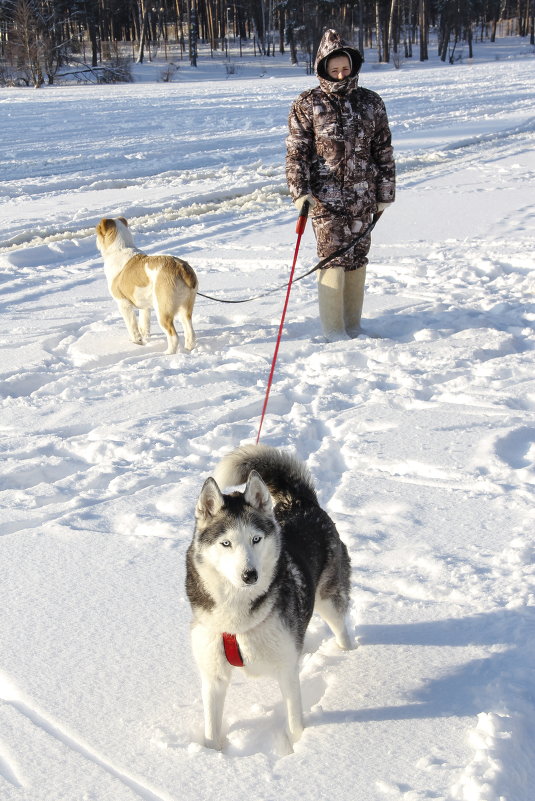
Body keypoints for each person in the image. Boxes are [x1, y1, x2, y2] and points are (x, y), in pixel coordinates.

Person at [286, 29, 396, 341]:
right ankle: (334, 330)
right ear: (322, 67)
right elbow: (297, 151)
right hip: (326, 198)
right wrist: (300, 191)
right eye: (334, 68)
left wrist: (384, 193)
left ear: (354, 65)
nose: (340, 74)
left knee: (357, 255)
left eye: (345, 67)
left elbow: (383, 149)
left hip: (364, 194)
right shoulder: (307, 104)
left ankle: (353, 326)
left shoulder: (371, 102)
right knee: (332, 256)